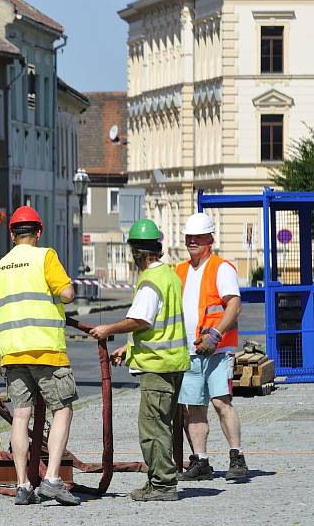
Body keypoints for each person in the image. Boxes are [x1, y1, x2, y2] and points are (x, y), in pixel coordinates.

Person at [89, 219, 190, 502]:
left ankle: (162, 485)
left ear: (137, 253)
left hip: (158, 366)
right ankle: (159, 480)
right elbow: (158, 325)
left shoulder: (150, 282)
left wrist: (108, 329)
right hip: (172, 362)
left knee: (153, 428)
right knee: (162, 425)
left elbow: (141, 318)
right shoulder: (170, 275)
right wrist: (128, 347)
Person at [0, 206, 79, 506]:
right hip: (46, 349)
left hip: (13, 352)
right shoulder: (45, 257)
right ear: (39, 232)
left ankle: (22, 485)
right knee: (62, 409)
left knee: (20, 415)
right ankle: (53, 478)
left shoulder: (1, 266)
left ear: (11, 233)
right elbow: (66, 293)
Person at [175, 212, 248, 482]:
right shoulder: (180, 270)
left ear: (210, 239)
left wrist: (215, 335)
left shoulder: (221, 268)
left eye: (199, 237)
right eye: (189, 237)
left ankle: (237, 457)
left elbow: (234, 306)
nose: (193, 241)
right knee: (193, 407)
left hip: (216, 351)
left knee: (221, 402)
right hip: (191, 352)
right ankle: (201, 461)